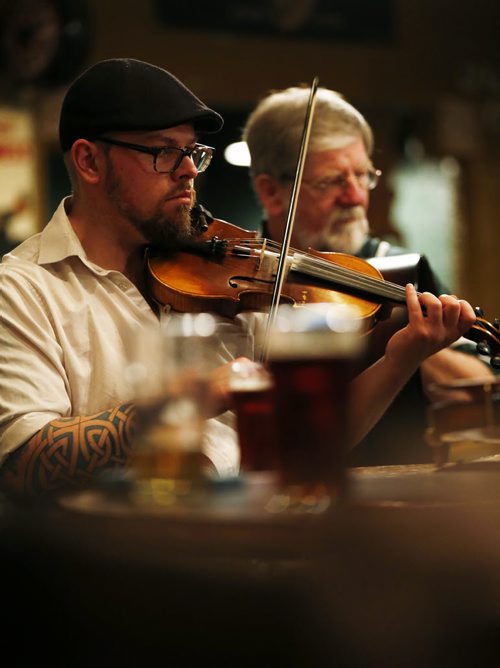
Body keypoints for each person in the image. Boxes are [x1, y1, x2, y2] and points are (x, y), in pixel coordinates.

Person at [0, 60, 478, 498]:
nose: (189, 172)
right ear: (89, 162)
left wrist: (401, 359)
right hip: (124, 569)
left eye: (193, 153)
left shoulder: (215, 277)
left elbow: (307, 444)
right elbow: (22, 463)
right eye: (164, 153)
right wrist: (193, 397)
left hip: (253, 551)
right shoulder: (23, 291)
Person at [242, 85, 494, 465]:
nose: (356, 196)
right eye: (333, 181)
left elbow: (476, 388)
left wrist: (420, 345)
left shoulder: (397, 271)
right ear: (272, 192)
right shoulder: (236, 283)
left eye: (363, 176)